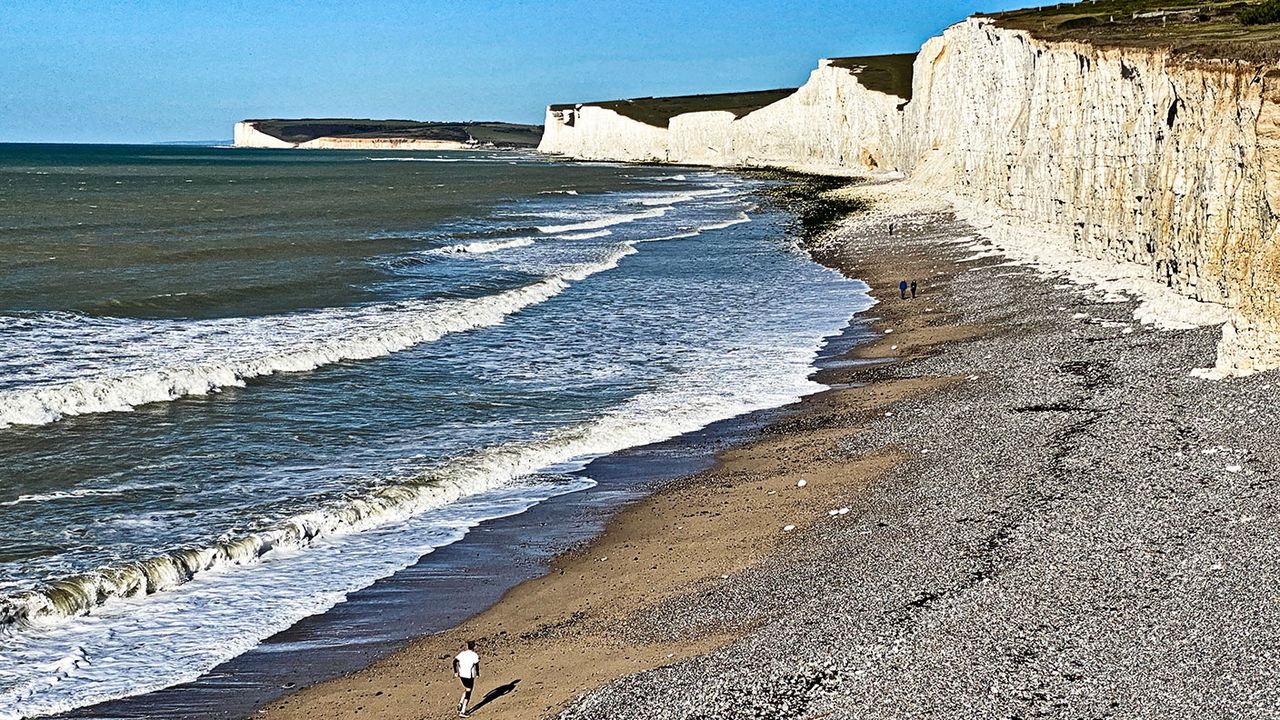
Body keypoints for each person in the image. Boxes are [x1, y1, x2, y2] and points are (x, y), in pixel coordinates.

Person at [454, 640, 481, 717]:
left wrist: (456, 672)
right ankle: (463, 711)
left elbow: (454, 661)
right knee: (468, 692)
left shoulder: (462, 654)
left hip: (462, 675)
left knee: (466, 688)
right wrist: (478, 674)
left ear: (467, 646)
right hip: (469, 676)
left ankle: (460, 703)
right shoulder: (474, 655)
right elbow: (476, 666)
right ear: (474, 647)